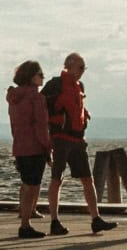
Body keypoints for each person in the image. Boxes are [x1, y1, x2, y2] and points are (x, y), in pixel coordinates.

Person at [41, 53, 116, 235]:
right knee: (57, 179)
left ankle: (95, 219)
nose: (83, 71)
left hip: (77, 139)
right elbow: (42, 106)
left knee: (87, 179)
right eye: (81, 67)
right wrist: (47, 135)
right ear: (69, 66)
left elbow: (75, 106)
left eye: (84, 68)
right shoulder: (55, 84)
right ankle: (54, 221)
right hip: (60, 138)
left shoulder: (79, 86)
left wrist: (84, 112)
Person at [7, 60, 52, 239]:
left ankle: (25, 218)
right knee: (33, 186)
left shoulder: (14, 98)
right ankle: (25, 224)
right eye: (40, 74)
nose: (43, 77)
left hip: (19, 145)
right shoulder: (36, 98)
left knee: (26, 184)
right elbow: (41, 126)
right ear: (31, 76)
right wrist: (48, 148)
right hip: (34, 146)